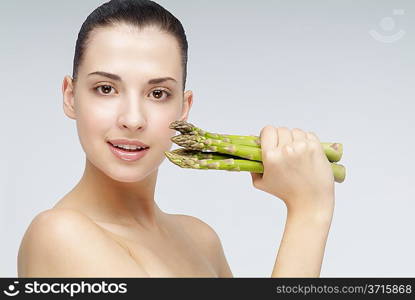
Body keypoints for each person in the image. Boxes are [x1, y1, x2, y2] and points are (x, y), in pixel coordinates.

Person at [17, 0, 335, 277]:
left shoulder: (201, 240)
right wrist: (309, 212)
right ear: (71, 96)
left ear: (184, 108)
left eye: (157, 93)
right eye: (106, 89)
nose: (132, 119)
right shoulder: (57, 234)